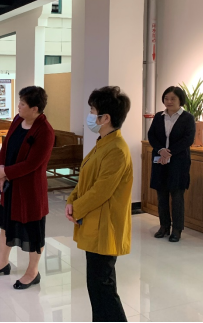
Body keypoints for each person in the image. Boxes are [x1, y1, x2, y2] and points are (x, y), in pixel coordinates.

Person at [65, 86, 133, 323]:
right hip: (94, 223)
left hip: (106, 227)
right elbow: (87, 179)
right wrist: (72, 200)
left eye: (93, 111)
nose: (90, 115)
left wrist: (77, 207)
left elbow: (100, 191)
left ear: (106, 118)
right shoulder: (103, 143)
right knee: (97, 287)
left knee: (104, 288)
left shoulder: (117, 150)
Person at [0, 86, 55, 290]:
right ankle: (2, 262)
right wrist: (1, 171)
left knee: (33, 232)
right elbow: (6, 146)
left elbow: (33, 163)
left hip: (30, 190)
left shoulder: (45, 131)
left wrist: (6, 172)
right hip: (11, 186)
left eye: (22, 104)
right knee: (6, 225)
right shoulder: (17, 120)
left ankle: (33, 272)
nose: (18, 106)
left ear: (35, 108)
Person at [148, 86, 196, 243]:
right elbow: (151, 135)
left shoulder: (187, 118)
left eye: (172, 99)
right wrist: (161, 150)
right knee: (161, 194)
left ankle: (177, 229)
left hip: (178, 161)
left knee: (177, 195)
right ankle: (164, 226)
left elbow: (188, 139)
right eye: (166, 98)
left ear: (180, 100)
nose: (169, 101)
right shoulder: (158, 117)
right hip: (160, 159)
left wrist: (169, 152)